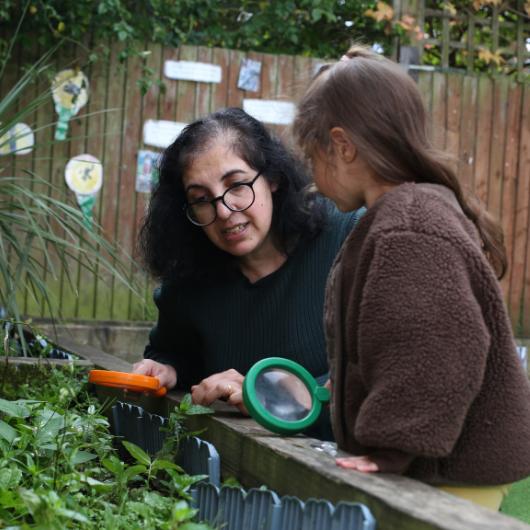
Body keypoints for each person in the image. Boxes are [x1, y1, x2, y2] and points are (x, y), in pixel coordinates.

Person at [293, 45, 530, 509]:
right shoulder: (401, 215)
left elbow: (436, 343)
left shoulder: (409, 225)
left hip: (451, 474)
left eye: (311, 156)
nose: (314, 179)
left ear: (342, 146)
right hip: (438, 466)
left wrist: (392, 445)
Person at [133, 108, 361, 431]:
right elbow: (174, 350)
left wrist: (266, 394)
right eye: (201, 199)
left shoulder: (349, 237)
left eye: (237, 185)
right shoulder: (189, 279)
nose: (224, 211)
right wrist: (167, 369)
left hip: (358, 469)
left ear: (273, 178)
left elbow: (390, 368)